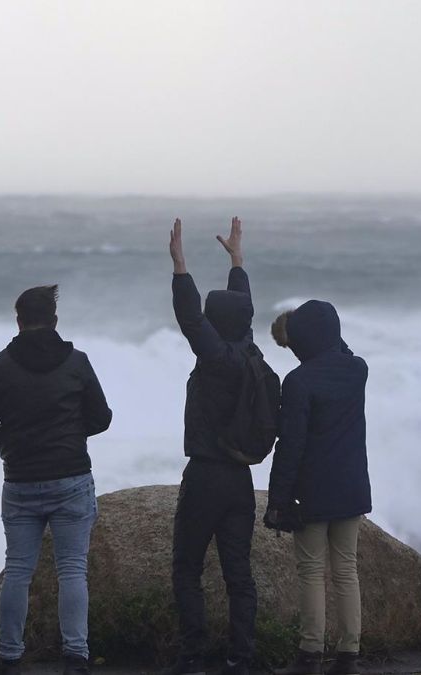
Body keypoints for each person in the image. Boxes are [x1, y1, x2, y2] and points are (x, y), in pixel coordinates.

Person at [0, 284, 113, 675]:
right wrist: (69, 434)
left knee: (18, 569)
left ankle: (10, 656)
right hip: (71, 478)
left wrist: (12, 440)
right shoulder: (77, 362)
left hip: (20, 481)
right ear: (54, 321)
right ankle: (76, 656)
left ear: (18, 321)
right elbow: (102, 418)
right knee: (72, 569)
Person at [162, 217, 258, 675]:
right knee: (238, 573)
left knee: (187, 568)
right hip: (241, 479)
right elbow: (246, 309)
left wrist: (181, 266)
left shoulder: (215, 357)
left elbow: (189, 318)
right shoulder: (250, 351)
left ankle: (194, 656)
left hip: (205, 476)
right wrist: (237, 262)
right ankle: (242, 657)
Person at [265, 301, 370, 675]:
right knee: (346, 570)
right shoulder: (358, 371)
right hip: (352, 486)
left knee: (311, 571)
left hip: (312, 492)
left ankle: (310, 655)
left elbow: (290, 445)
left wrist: (278, 498)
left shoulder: (299, 381)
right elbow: (344, 351)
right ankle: (349, 656)